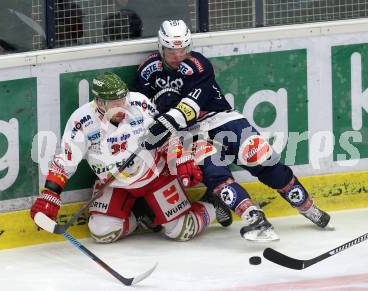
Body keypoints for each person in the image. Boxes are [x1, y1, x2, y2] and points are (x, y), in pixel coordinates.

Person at [135, 20, 333, 242]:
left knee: (263, 160)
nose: (178, 55)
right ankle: (255, 219)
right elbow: (139, 107)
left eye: (183, 49)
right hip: (190, 135)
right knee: (216, 177)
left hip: (223, 119)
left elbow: (189, 108)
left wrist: (165, 121)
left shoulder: (199, 65)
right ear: (162, 47)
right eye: (172, 50)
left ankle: (307, 206)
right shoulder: (147, 71)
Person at [30, 72, 231, 243]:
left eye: (123, 99)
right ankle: (144, 214)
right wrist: (51, 193)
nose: (122, 106)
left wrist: (180, 157)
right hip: (114, 183)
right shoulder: (82, 121)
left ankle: (213, 204)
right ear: (99, 102)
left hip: (155, 177)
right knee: (103, 232)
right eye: (114, 103)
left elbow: (165, 134)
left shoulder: (140, 104)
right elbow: (65, 160)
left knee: (181, 230)